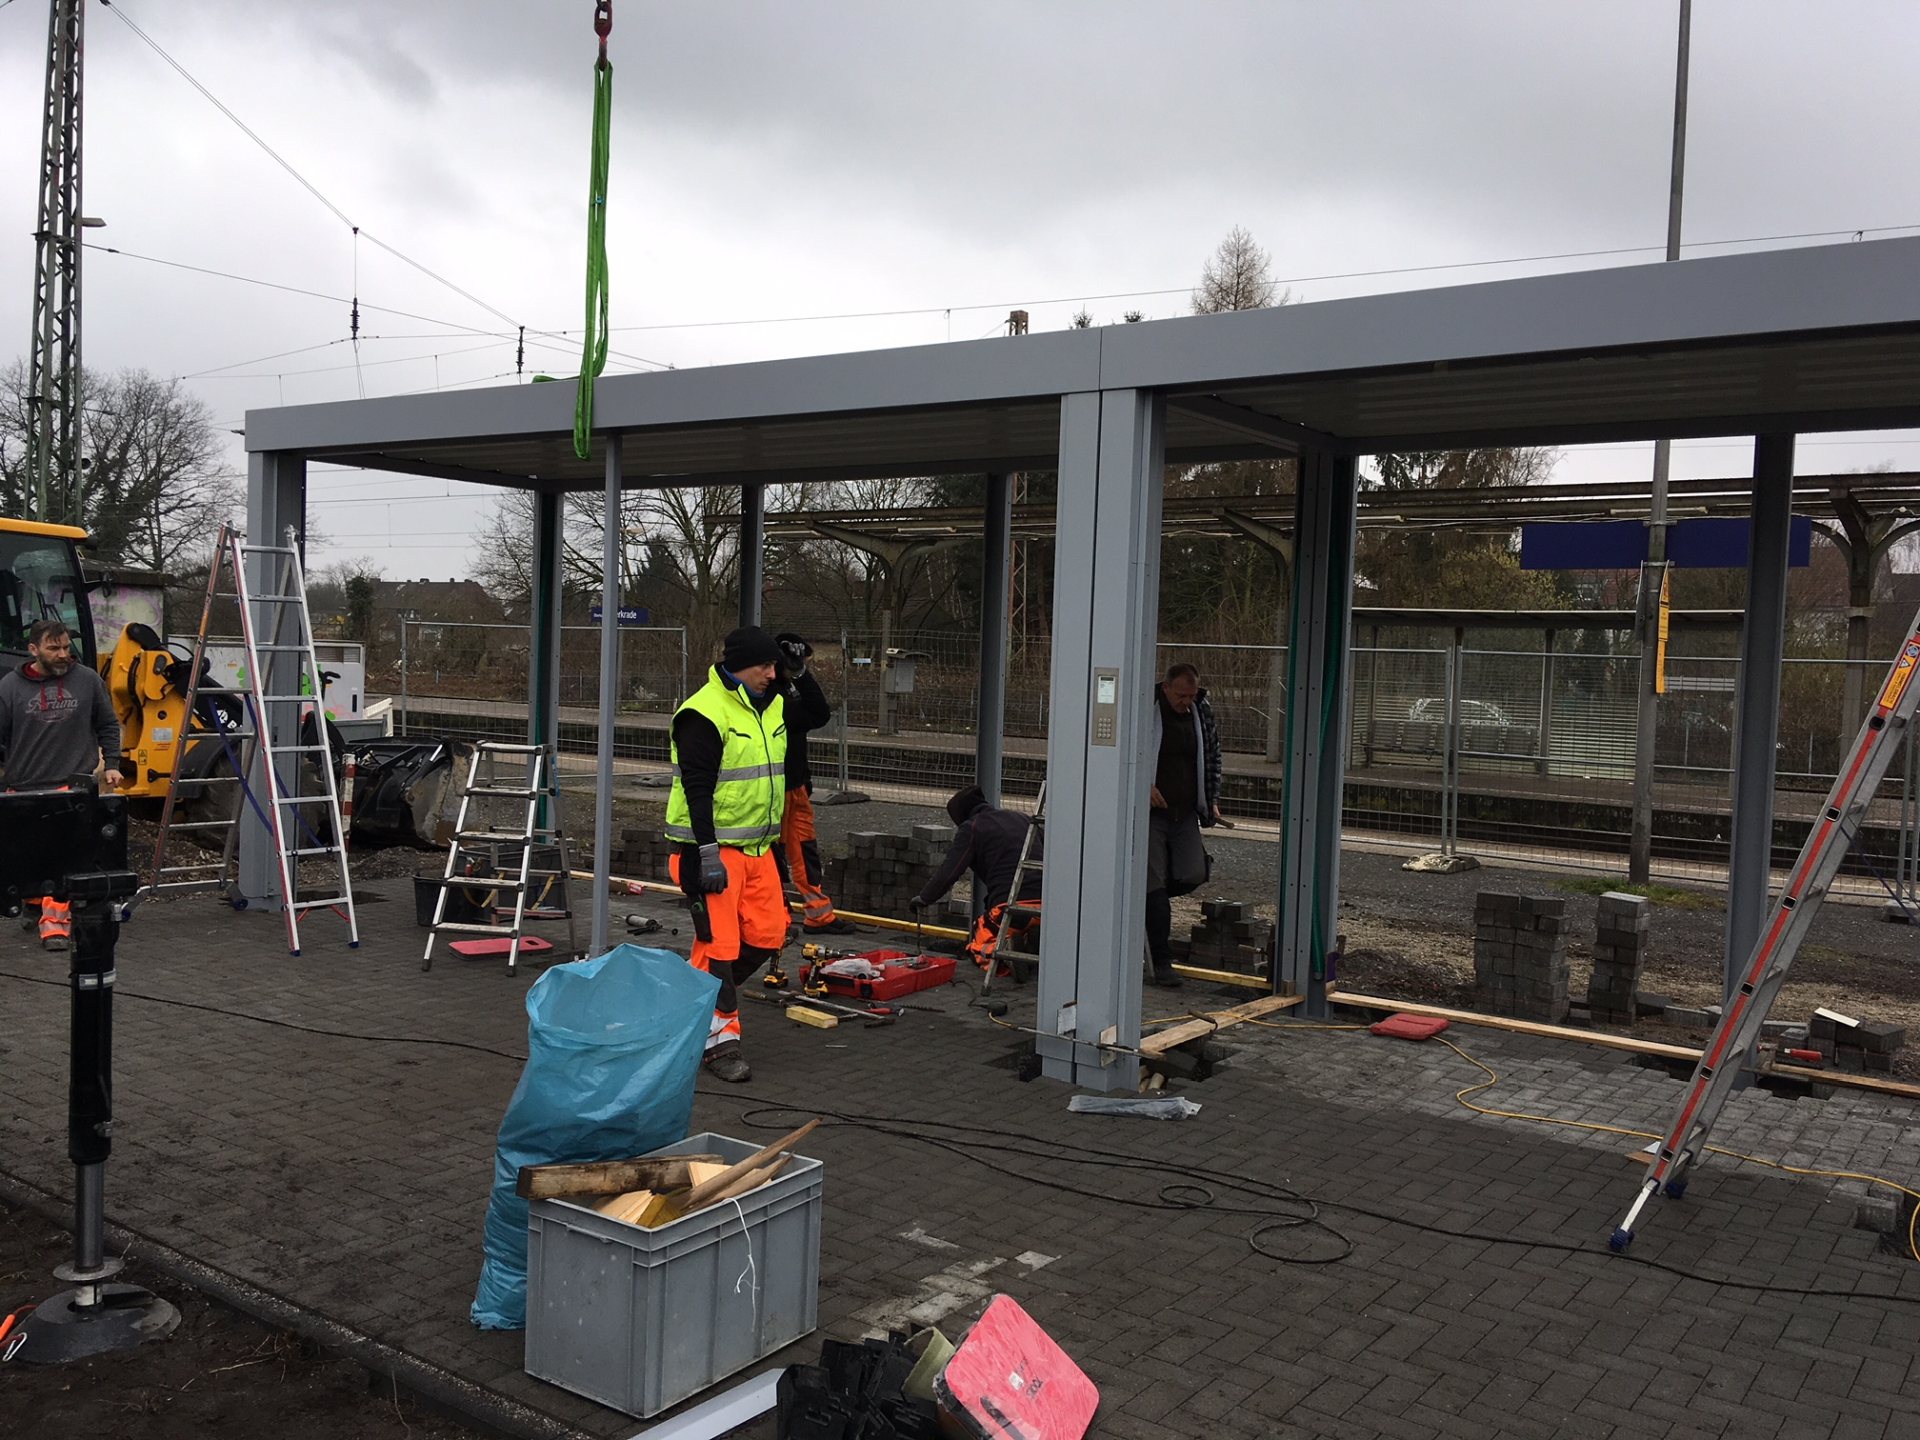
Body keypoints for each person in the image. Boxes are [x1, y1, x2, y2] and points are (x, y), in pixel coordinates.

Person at [663, 626, 790, 1083]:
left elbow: (816, 714)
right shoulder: (703, 712)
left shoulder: (770, 705)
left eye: (777, 666)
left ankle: (688, 1008)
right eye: (766, 666)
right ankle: (720, 1043)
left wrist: (799, 665)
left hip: (757, 850)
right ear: (739, 665)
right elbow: (697, 790)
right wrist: (707, 853)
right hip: (711, 851)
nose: (773, 675)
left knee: (770, 933)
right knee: (719, 949)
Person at [0, 619, 123, 951]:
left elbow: (109, 724)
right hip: (24, 785)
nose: (63, 654)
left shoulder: (87, 681)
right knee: (27, 858)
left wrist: (112, 764)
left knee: (67, 857)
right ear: (33, 650)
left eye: (66, 647)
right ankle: (32, 905)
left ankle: (55, 925)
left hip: (73, 786)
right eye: (54, 648)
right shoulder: (9, 687)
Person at [771, 632, 856, 936]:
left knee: (804, 852)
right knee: (772, 856)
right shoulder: (770, 694)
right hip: (774, 790)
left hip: (795, 787)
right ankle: (772, 915)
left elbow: (818, 713)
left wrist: (802, 675)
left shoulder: (789, 688)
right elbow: (814, 714)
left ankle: (818, 915)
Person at [1145, 662, 1223, 988]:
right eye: (1180, 696)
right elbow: (1127, 753)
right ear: (1166, 688)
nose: (1186, 702)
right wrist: (1143, 785)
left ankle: (1145, 899)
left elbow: (1212, 754)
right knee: (1154, 885)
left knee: (1193, 872)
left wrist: (1212, 797)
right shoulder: (1146, 710)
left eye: (1191, 696)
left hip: (1185, 811)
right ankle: (1161, 961)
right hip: (1150, 815)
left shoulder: (1201, 712)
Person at [909, 784, 1041, 977]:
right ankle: (1030, 943)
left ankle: (1005, 954)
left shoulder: (972, 827)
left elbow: (950, 870)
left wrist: (925, 898)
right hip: (1045, 907)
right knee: (1022, 931)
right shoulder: (1022, 818)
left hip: (1009, 906)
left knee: (977, 944)